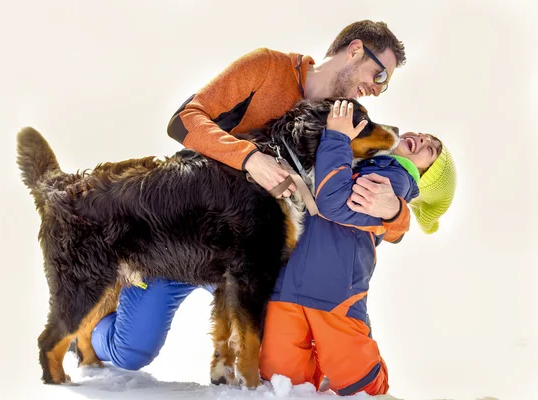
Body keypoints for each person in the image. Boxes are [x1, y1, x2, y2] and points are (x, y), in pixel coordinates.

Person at [90, 20, 411, 375]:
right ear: (354, 50)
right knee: (132, 353)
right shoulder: (267, 67)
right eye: (379, 76)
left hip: (253, 259)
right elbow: (183, 121)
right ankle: (89, 331)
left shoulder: (345, 125)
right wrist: (250, 159)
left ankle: (225, 363)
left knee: (272, 356)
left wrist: (396, 213)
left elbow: (359, 206)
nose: (377, 91)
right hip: (183, 236)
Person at [258, 100, 458, 396]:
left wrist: (337, 136)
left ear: (424, 176)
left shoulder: (396, 178)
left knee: (358, 381)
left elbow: (334, 203)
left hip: (335, 293)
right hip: (287, 289)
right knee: (280, 380)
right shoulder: (367, 159)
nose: (426, 140)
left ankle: (377, 385)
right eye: (428, 136)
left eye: (432, 150)